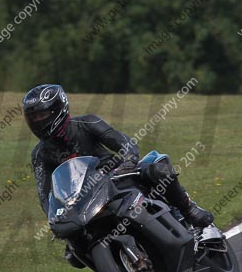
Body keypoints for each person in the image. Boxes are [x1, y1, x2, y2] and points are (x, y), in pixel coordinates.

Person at [23, 84, 214, 231]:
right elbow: (45, 194)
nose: (39, 121)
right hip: (84, 201)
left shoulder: (87, 123)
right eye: (34, 118)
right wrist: (54, 218)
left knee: (158, 169)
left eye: (43, 114)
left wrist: (128, 160)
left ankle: (188, 209)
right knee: (73, 252)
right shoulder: (39, 155)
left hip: (118, 178)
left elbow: (125, 144)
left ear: (58, 109)